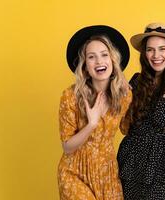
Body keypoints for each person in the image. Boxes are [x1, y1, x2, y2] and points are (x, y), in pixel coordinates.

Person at [117, 23, 165, 200]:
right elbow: (125, 126)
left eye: (162, 49)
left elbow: (161, 119)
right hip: (132, 158)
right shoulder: (137, 81)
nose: (156, 55)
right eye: (150, 50)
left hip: (161, 161)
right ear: (144, 54)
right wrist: (121, 94)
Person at [57, 25, 131, 200]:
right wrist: (91, 124)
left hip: (108, 173)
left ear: (113, 60)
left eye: (104, 55)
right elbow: (67, 147)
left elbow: (128, 129)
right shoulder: (70, 97)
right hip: (74, 171)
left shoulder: (124, 96)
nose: (99, 61)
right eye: (92, 57)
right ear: (85, 67)